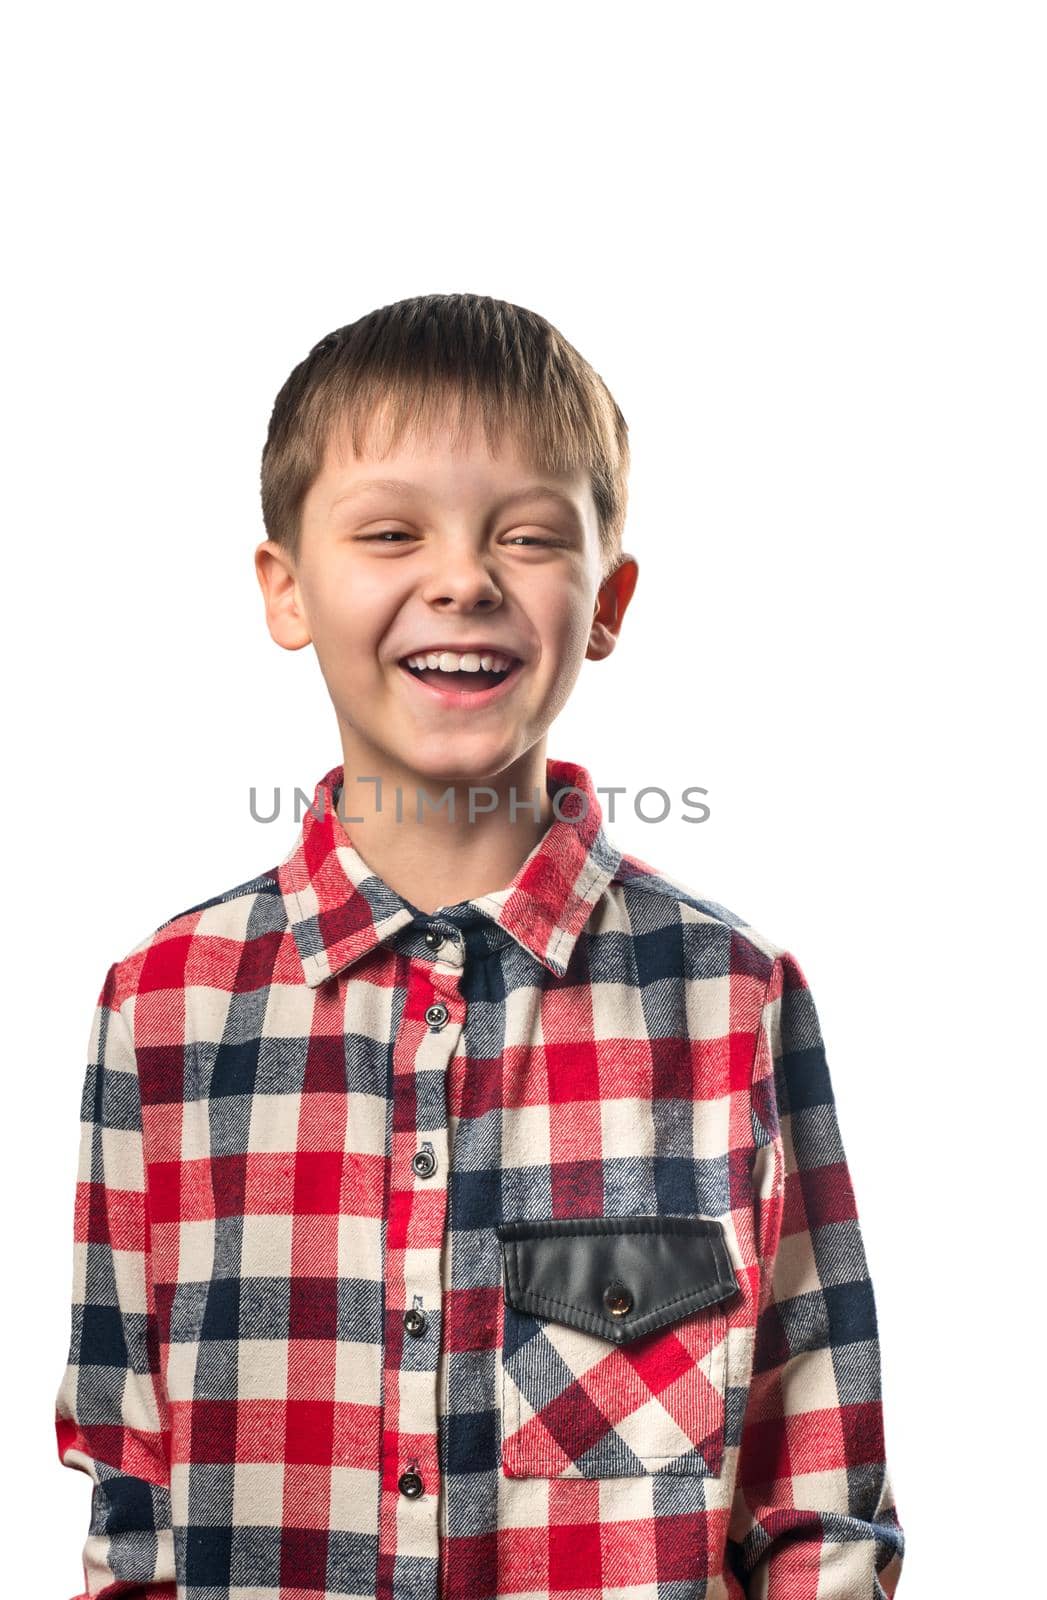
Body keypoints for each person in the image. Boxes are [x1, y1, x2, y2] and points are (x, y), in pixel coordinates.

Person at [54, 292, 905, 1599]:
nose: (462, 577)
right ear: (286, 589)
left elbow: (821, 1497)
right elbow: (134, 1494)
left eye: (525, 535)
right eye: (392, 531)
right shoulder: (163, 1008)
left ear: (608, 600)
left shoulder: (737, 1002)